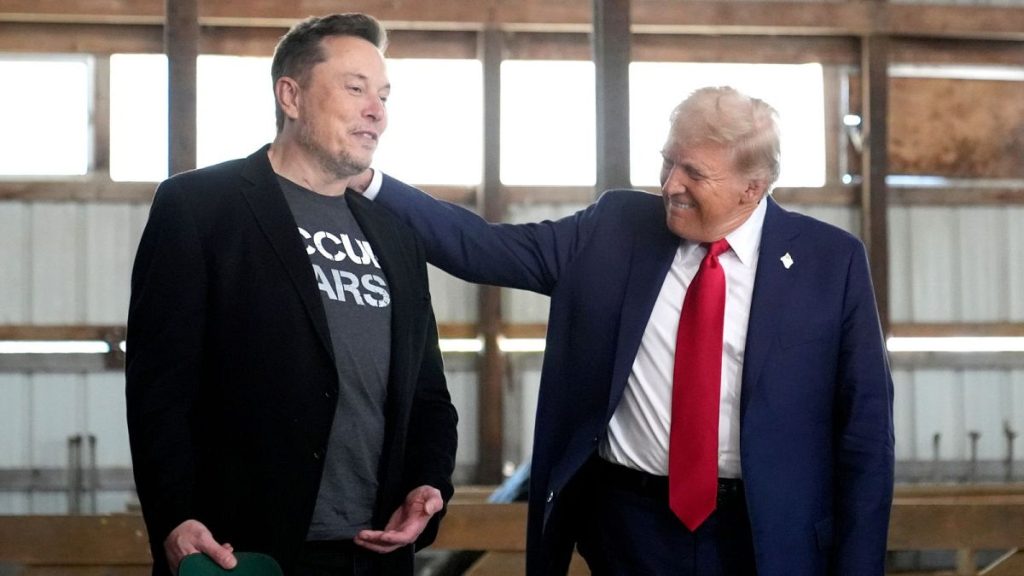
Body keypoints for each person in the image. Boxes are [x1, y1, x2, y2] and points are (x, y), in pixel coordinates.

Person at [357, 86, 894, 574]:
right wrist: (367, 181)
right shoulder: (615, 229)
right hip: (630, 529)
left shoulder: (831, 262)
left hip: (766, 537)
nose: (670, 185)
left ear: (752, 189)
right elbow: (483, 247)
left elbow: (865, 436)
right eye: (667, 162)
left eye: (694, 173)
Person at [125, 13, 457, 576]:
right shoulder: (200, 207)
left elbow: (427, 396)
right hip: (240, 551)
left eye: (383, 95)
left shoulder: (396, 236)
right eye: (355, 89)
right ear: (291, 96)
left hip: (373, 552)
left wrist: (428, 483)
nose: (376, 110)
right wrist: (174, 517)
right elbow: (160, 385)